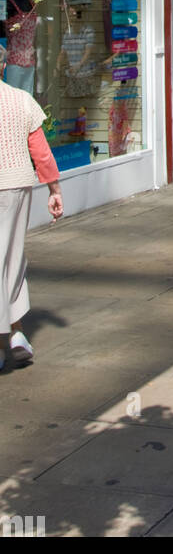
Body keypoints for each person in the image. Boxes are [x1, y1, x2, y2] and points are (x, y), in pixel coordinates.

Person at [0, 45, 63, 370]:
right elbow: (41, 151)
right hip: (16, 183)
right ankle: (16, 332)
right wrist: (54, 188)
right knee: (12, 256)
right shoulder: (21, 99)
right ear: (4, 66)